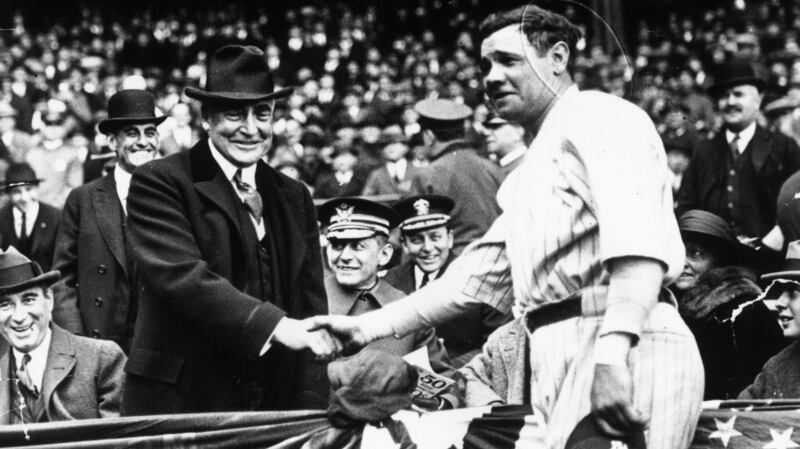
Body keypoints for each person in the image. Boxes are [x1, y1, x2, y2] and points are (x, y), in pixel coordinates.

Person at [312, 6, 704, 449]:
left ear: (558, 57)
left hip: (627, 340)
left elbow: (640, 245)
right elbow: (471, 279)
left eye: (508, 60)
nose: (492, 76)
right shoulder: (526, 173)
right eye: (485, 65)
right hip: (558, 351)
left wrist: (613, 354)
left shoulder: (600, 115)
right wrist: (366, 328)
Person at [122, 45, 338, 415]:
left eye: (263, 114)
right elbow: (183, 277)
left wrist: (309, 408)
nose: (251, 129)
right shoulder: (159, 181)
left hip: (274, 408)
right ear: (206, 117)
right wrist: (275, 326)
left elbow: (310, 306)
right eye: (235, 114)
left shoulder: (294, 195)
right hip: (182, 407)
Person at [51, 90, 166, 353]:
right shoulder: (84, 198)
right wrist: (79, 342)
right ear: (113, 142)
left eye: (150, 132)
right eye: (132, 133)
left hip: (158, 348)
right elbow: (62, 278)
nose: (143, 142)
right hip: (99, 344)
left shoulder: (174, 196)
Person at [318, 197, 453, 379]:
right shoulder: (310, 301)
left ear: (384, 254)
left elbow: (442, 379)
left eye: (358, 246)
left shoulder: (407, 308)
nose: (345, 256)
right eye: (337, 246)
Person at [677, 59, 800, 242]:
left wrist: (775, 240)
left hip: (771, 260)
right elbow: (686, 206)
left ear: (757, 100)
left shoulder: (783, 147)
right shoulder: (704, 150)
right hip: (718, 260)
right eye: (724, 96)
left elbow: (796, 201)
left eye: (738, 94)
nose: (730, 102)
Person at [0, 247, 126, 423]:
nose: (19, 317)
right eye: (5, 304)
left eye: (29, 300)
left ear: (49, 300)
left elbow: (118, 441)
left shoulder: (102, 358)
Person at [384, 194, 511, 367]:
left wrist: (444, 370)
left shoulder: (478, 277)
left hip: (467, 377)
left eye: (435, 237)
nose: (428, 248)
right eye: (416, 240)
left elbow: (498, 343)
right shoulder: (389, 282)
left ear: (450, 238)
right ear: (404, 245)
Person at [671, 210, 785, 399]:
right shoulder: (672, 305)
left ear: (718, 261)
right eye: (679, 252)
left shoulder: (744, 307)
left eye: (696, 253)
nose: (683, 262)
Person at [411, 99, 503, 256]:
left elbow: (417, 236)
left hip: (454, 265)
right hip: (500, 260)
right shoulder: (492, 167)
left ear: (429, 136)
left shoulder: (427, 175)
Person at [739, 240, 800, 399]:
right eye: (781, 290)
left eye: (793, 291)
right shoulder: (778, 366)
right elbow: (741, 415)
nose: (779, 302)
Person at [0, 163, 60, 272]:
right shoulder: (2, 217)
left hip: (47, 283)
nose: (24, 198)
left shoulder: (55, 217)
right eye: (17, 192)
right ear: (8, 194)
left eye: (28, 189)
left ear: (37, 188)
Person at [361, 124, 422, 198]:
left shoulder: (418, 171)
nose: (390, 148)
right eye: (385, 145)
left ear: (406, 147)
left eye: (395, 143)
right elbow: (367, 199)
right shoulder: (377, 174)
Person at [484, 114, 527, 179]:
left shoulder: (530, 164)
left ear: (519, 131)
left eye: (496, 127)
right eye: (487, 127)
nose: (486, 132)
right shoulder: (493, 167)